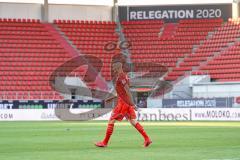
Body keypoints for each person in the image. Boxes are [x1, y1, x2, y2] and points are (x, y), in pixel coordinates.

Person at [95, 62, 152, 148]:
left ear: (118, 68)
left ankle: (105, 142)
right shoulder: (122, 77)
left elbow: (127, 91)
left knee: (111, 120)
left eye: (114, 68)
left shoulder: (121, 77)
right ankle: (147, 139)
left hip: (123, 103)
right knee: (133, 122)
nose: (113, 70)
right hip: (126, 102)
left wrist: (133, 104)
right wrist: (110, 99)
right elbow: (121, 92)